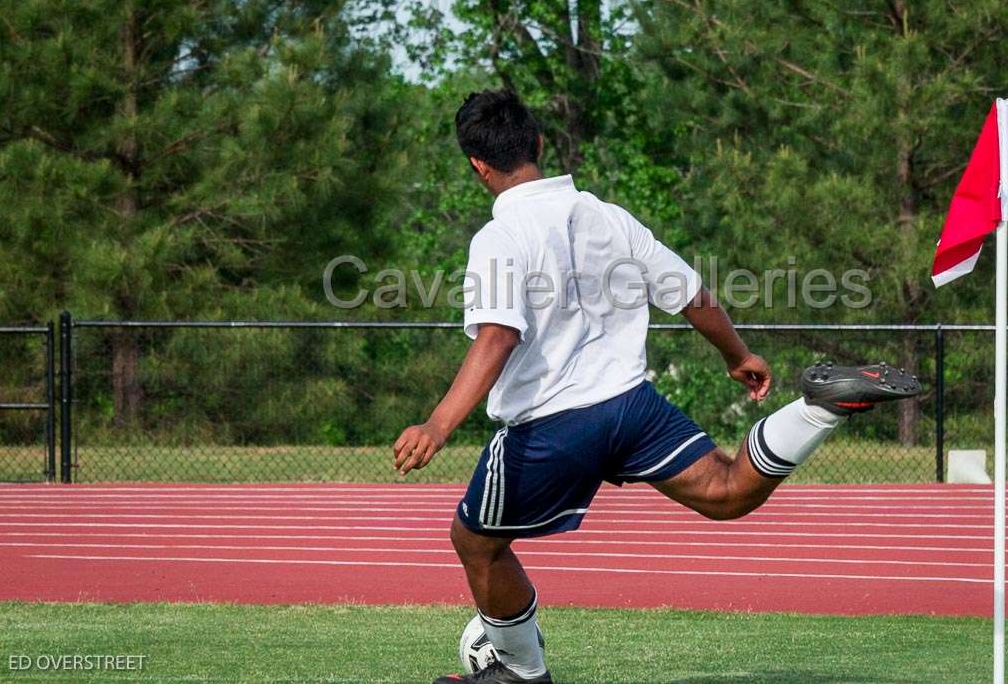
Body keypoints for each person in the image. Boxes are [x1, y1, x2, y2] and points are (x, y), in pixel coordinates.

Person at [392, 90, 921, 684]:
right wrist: (737, 353)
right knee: (727, 490)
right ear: (539, 144)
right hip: (631, 407)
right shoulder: (606, 216)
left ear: (478, 167)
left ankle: (519, 671)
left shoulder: (499, 237)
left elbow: (497, 337)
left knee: (476, 542)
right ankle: (820, 408)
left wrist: (437, 424)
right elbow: (692, 295)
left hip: (553, 424)